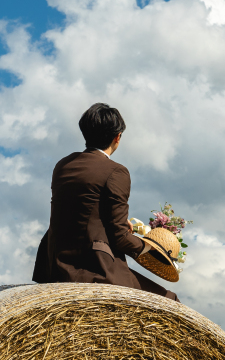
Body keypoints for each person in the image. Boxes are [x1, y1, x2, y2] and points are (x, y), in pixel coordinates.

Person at [32, 102, 179, 301]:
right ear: (117, 137)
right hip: (94, 267)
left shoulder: (63, 165)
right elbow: (118, 236)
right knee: (169, 301)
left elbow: (80, 210)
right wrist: (149, 247)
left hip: (54, 265)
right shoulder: (116, 171)